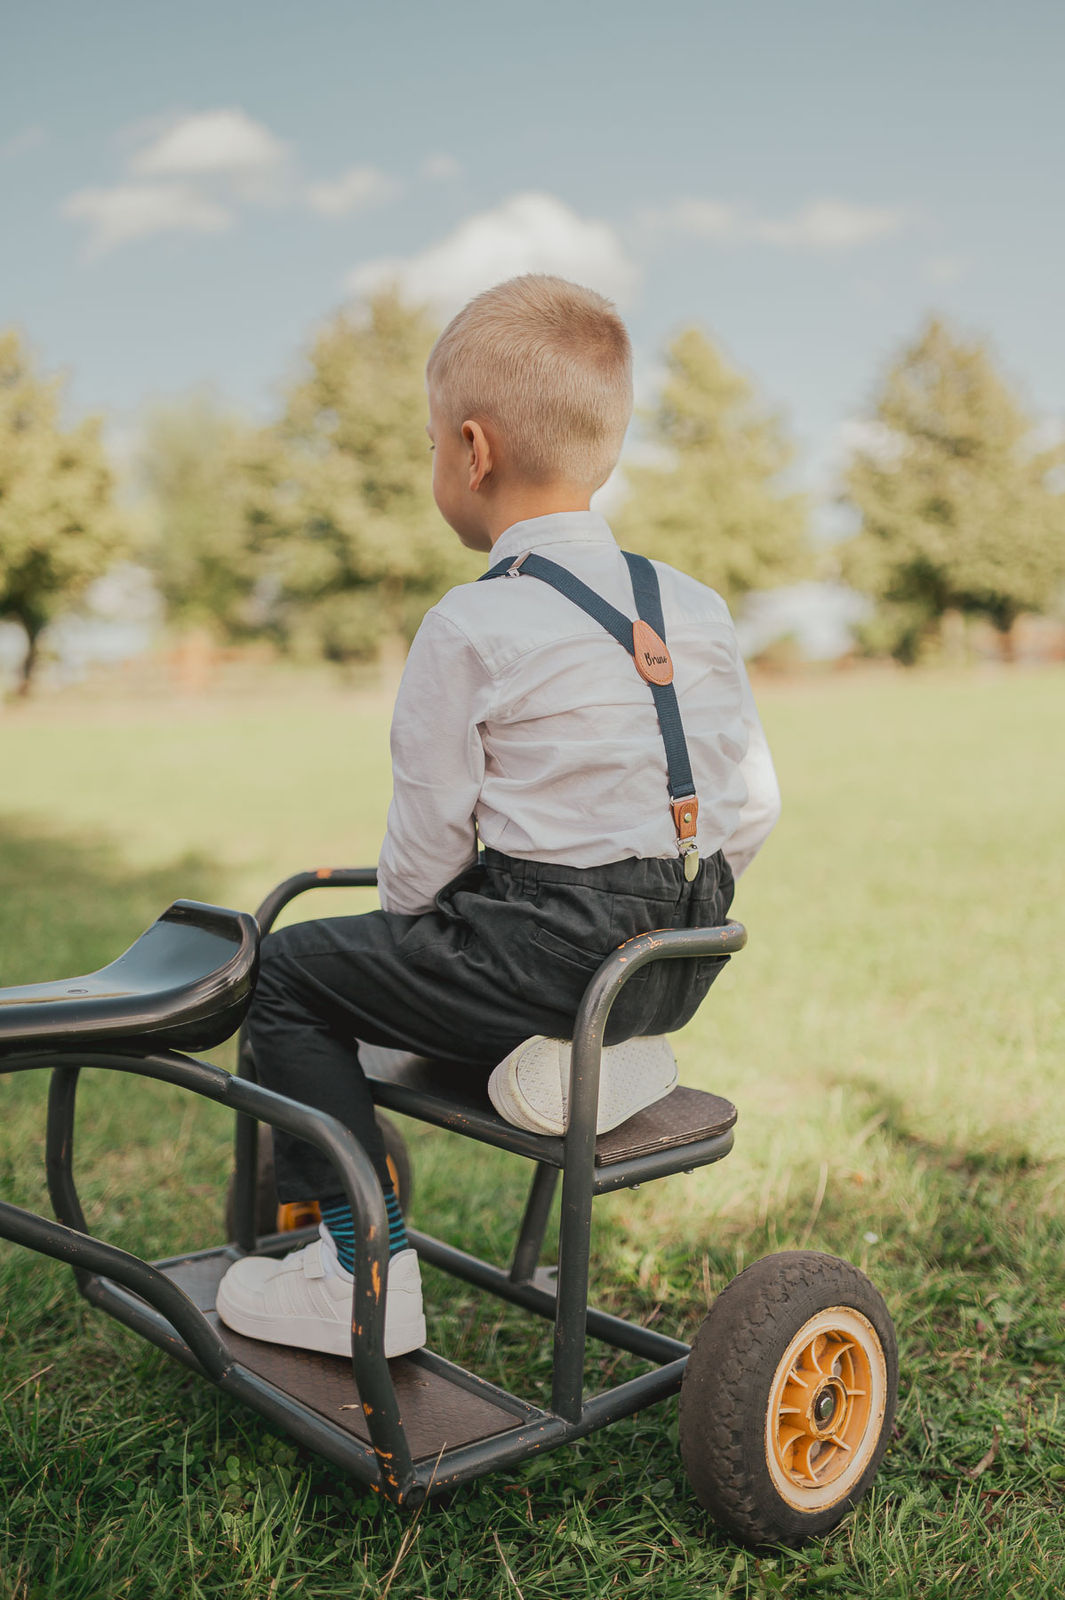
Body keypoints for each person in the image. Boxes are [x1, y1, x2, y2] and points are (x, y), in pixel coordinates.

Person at [215, 274, 780, 1361]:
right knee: (449, 979)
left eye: (432, 442)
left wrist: (416, 943)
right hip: (677, 961)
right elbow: (754, 803)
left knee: (286, 974)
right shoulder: (695, 606)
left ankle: (358, 1268)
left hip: (541, 958)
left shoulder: (474, 620)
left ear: (470, 451)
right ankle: (600, 1057)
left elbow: (427, 846)